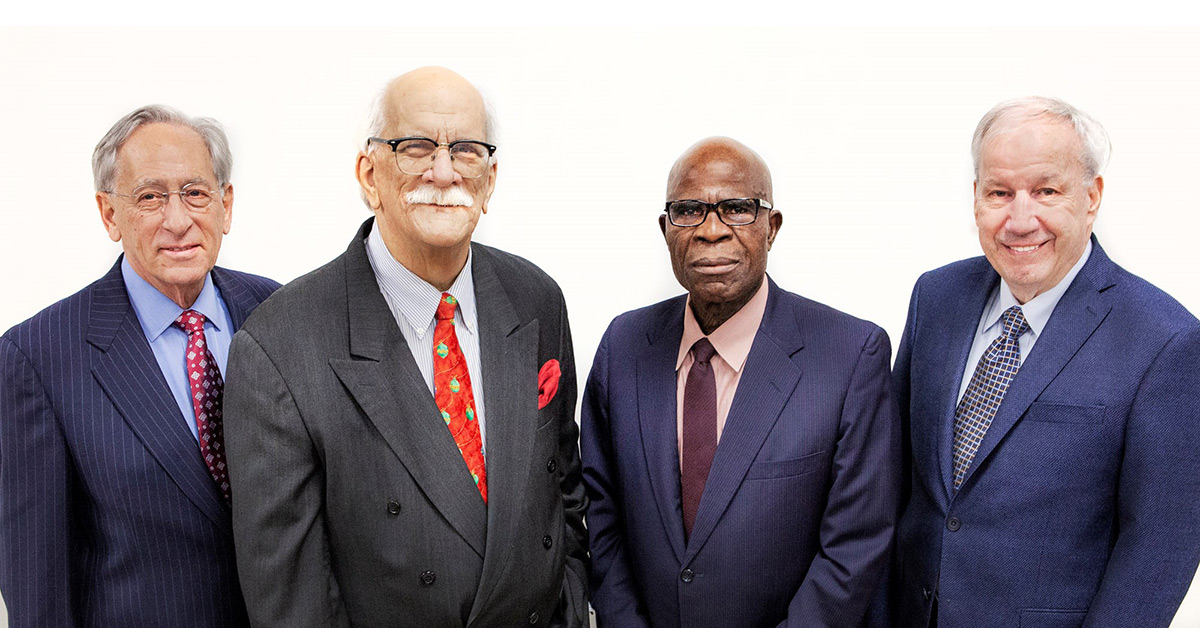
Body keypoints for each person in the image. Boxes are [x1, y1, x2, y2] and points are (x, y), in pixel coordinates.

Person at [223, 67, 588, 628]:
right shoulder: (280, 345)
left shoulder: (536, 298)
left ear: (490, 180)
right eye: (415, 147)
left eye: (465, 150)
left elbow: (561, 490)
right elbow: (292, 601)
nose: (443, 172)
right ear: (369, 174)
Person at [891, 96, 1200, 627]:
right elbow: (893, 483)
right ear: (975, 198)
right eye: (999, 193)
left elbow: (1157, 552)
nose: (1019, 218)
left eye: (1046, 191)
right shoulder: (936, 298)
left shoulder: (1165, 342)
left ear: (1092, 197)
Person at [581, 137, 899, 628]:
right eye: (688, 211)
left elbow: (855, 549)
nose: (712, 231)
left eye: (737, 209)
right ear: (666, 230)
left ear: (771, 228)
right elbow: (603, 520)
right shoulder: (623, 346)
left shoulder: (851, 356)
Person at [0, 105, 279, 628]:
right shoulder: (37, 358)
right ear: (109, 214)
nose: (178, 220)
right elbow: (38, 587)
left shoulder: (279, 313)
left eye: (196, 192)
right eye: (150, 197)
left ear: (226, 204)